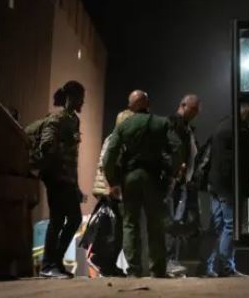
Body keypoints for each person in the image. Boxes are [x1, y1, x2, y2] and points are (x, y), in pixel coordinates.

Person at [102, 98, 181, 278]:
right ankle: (158, 270)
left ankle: (134, 270)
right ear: (148, 104)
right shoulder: (162, 123)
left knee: (130, 224)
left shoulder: (124, 125)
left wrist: (113, 181)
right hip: (153, 178)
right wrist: (172, 173)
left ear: (131, 105)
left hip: (129, 179)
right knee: (155, 224)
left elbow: (109, 156)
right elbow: (177, 148)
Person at [86, 90, 149, 277]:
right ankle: (104, 261)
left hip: (108, 190)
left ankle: (108, 263)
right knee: (118, 229)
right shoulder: (117, 139)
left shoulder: (113, 138)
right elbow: (108, 165)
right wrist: (112, 187)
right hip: (111, 191)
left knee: (116, 228)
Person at [201, 103, 249, 277]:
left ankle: (206, 266)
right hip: (228, 185)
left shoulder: (222, 124)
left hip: (215, 183)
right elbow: (248, 154)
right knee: (231, 225)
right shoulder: (240, 131)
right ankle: (226, 268)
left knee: (217, 226)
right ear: (247, 111)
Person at [39, 81, 86, 279]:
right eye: (79, 97)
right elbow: (46, 144)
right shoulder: (57, 118)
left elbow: (73, 158)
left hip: (67, 180)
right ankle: (49, 265)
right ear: (70, 97)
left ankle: (54, 263)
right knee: (58, 220)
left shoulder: (74, 119)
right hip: (56, 178)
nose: (82, 101)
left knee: (71, 219)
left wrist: (76, 186)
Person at [165, 94, 202, 276]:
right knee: (171, 222)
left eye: (197, 110)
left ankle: (171, 261)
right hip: (174, 181)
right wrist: (176, 168)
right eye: (193, 109)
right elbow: (171, 148)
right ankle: (168, 261)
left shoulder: (186, 128)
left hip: (182, 182)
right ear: (183, 105)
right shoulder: (174, 124)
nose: (195, 113)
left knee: (177, 222)